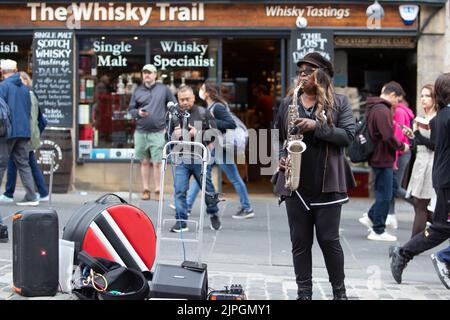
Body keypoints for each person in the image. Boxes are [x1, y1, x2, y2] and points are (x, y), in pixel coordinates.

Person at [273, 52, 356, 300]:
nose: (303, 74)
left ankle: (339, 294)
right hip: (296, 184)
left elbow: (348, 137)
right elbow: (279, 136)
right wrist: (281, 155)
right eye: (301, 70)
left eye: (309, 70)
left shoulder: (339, 103)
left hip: (327, 184)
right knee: (299, 243)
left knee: (329, 240)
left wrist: (316, 127)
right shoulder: (289, 103)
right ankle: (304, 294)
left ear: (321, 75)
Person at [389, 73, 450, 285]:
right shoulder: (446, 116)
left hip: (443, 177)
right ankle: (405, 253)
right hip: (447, 180)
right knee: (441, 227)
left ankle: (408, 253)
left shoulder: (441, 117)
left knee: (441, 225)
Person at [186, 80, 255, 220]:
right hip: (215, 147)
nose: (200, 90)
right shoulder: (211, 106)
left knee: (227, 177)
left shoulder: (217, 107)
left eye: (202, 88)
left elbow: (230, 124)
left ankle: (247, 207)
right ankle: (186, 206)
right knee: (202, 175)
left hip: (220, 148)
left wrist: (209, 123)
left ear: (207, 93)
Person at [358, 81, 409, 242]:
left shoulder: (376, 107)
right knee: (385, 194)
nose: (397, 103)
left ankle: (372, 217)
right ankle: (378, 230)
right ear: (392, 95)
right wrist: (402, 146)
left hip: (379, 157)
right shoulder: (382, 109)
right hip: (382, 157)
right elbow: (388, 136)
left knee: (387, 191)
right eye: (398, 99)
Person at [169, 85, 221, 232]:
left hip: (200, 157)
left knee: (208, 189)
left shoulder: (203, 113)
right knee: (179, 190)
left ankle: (214, 214)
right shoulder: (174, 115)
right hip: (182, 158)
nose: (185, 102)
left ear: (193, 98)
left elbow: (214, 135)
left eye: (187, 99)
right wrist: (174, 134)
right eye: (181, 100)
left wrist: (197, 133)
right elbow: (166, 136)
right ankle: (181, 221)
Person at [128, 64, 176, 201]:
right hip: (141, 132)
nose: (147, 75)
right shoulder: (137, 90)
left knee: (157, 163)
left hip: (158, 132)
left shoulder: (164, 89)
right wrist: (137, 112)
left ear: (155, 75)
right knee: (144, 162)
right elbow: (130, 110)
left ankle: (158, 190)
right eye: (145, 73)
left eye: (149, 73)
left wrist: (169, 126)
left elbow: (173, 107)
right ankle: (145, 189)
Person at [0, 71, 48, 203]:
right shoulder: (26, 89)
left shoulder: (3, 86)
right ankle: (32, 196)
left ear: (4, 73)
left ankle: (14, 194)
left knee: (1, 164)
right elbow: (30, 112)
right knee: (24, 165)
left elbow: (1, 111)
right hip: (24, 132)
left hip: (8, 132)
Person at [402, 85, 437, 238]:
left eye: (427, 96)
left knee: (421, 204)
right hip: (420, 163)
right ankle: (440, 227)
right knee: (418, 203)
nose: (423, 99)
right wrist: (412, 136)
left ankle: (413, 244)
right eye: (422, 95)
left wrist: (417, 133)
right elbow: (419, 146)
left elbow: (435, 145)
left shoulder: (437, 119)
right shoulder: (421, 118)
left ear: (435, 99)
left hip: (431, 163)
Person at [387, 97, 415, 229]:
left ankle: (420, 204)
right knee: (392, 187)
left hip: (401, 153)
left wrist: (394, 160)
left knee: (395, 187)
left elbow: (398, 138)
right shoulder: (402, 111)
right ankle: (390, 216)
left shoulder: (398, 112)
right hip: (402, 152)